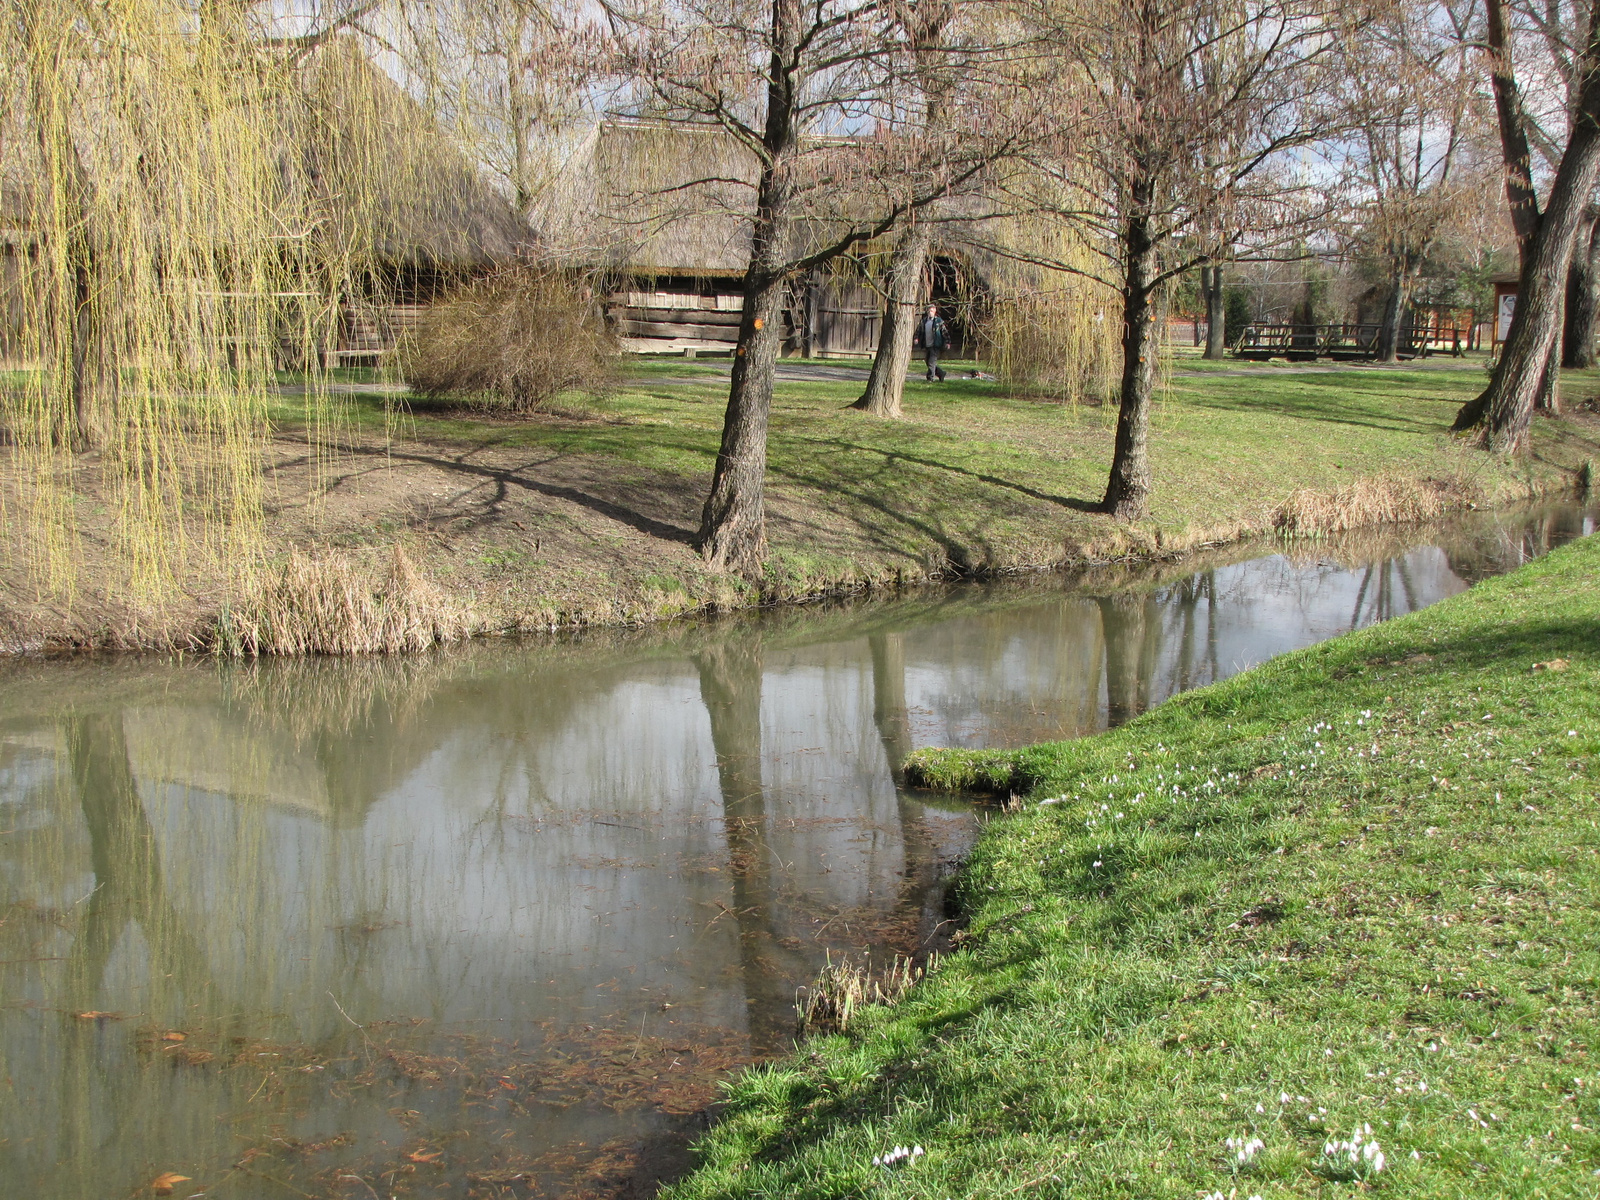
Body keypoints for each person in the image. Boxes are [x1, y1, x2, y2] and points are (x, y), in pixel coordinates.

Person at [913, 304, 948, 381]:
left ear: (935, 311)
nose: (930, 312)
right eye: (929, 311)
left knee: (932, 362)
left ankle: (930, 378)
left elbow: (944, 332)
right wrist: (916, 338)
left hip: (935, 344)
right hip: (927, 344)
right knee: (928, 362)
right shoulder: (924, 321)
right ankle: (941, 373)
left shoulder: (939, 321)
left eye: (931, 311)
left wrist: (948, 342)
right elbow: (918, 330)